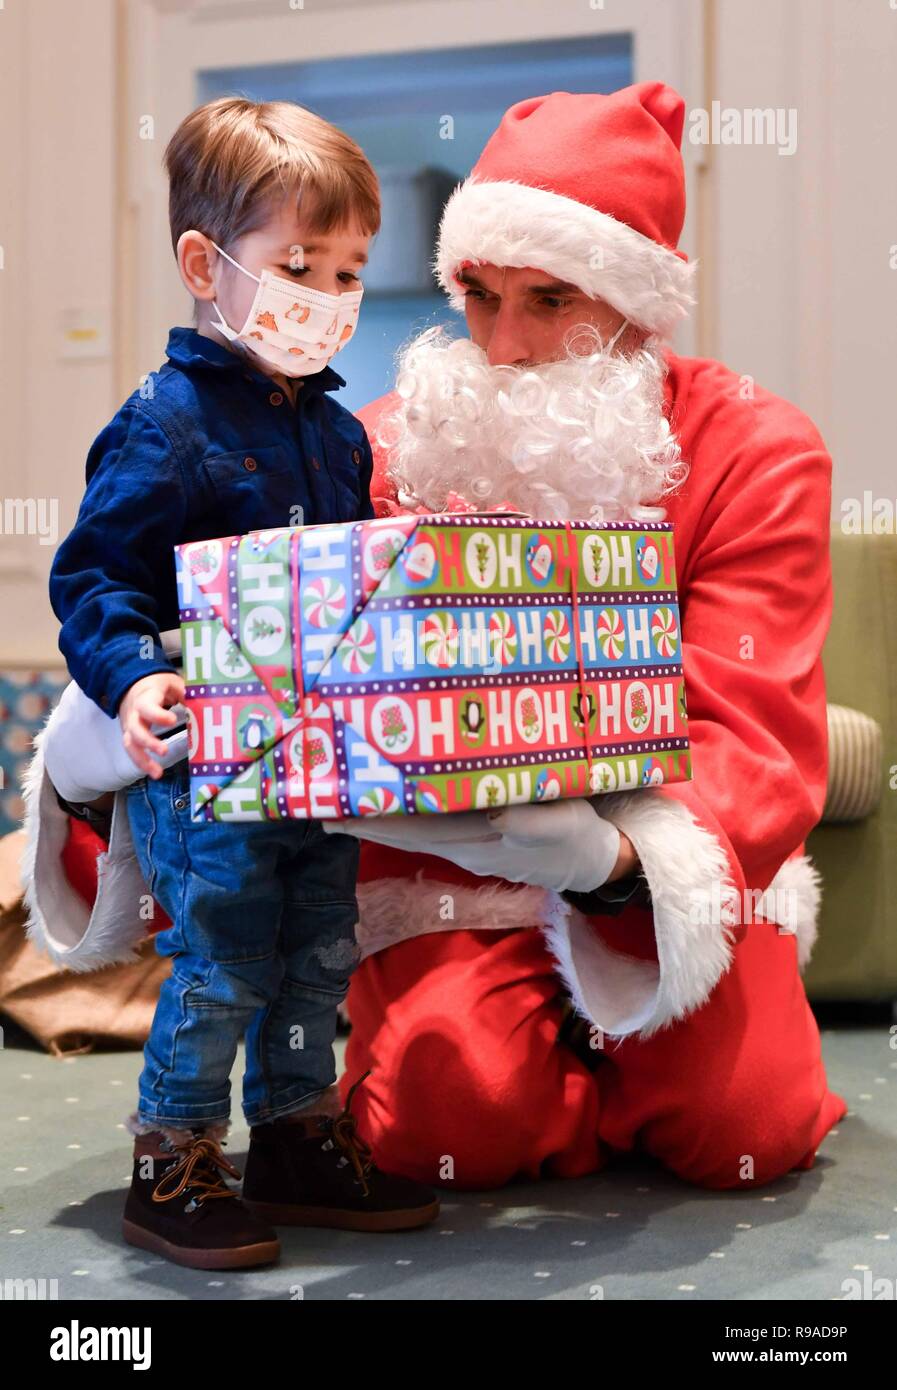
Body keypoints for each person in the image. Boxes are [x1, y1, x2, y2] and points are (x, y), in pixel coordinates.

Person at [326, 82, 848, 1191]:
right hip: (446, 869)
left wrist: (616, 866)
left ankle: (609, 1060)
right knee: (453, 1121)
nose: (503, 348)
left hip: (676, 859)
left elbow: (754, 725)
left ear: (633, 305)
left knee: (744, 1129)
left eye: (549, 298)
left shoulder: (756, 449)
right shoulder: (377, 449)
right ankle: (532, 1058)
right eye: (475, 292)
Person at [39, 96, 438, 1270]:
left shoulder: (339, 432)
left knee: (321, 942)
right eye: (298, 265)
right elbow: (94, 577)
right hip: (205, 747)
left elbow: (340, 578)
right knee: (224, 949)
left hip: (316, 753)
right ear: (206, 266)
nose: (329, 294)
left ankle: (298, 1135)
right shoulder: (163, 424)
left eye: (352, 270)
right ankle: (174, 1154)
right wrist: (127, 684)